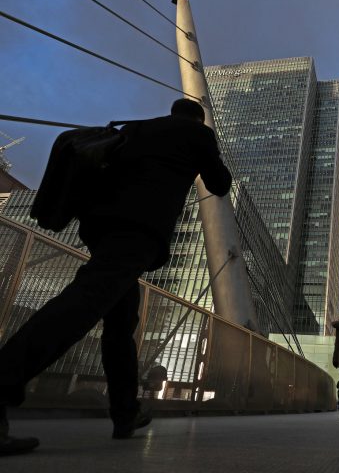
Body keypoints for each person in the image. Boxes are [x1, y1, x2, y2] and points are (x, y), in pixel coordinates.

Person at [0, 99, 232, 455]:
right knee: (86, 302)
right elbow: (219, 183)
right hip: (138, 228)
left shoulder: (136, 127)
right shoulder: (196, 133)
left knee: (121, 322)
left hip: (101, 225)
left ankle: (126, 412)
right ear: (198, 119)